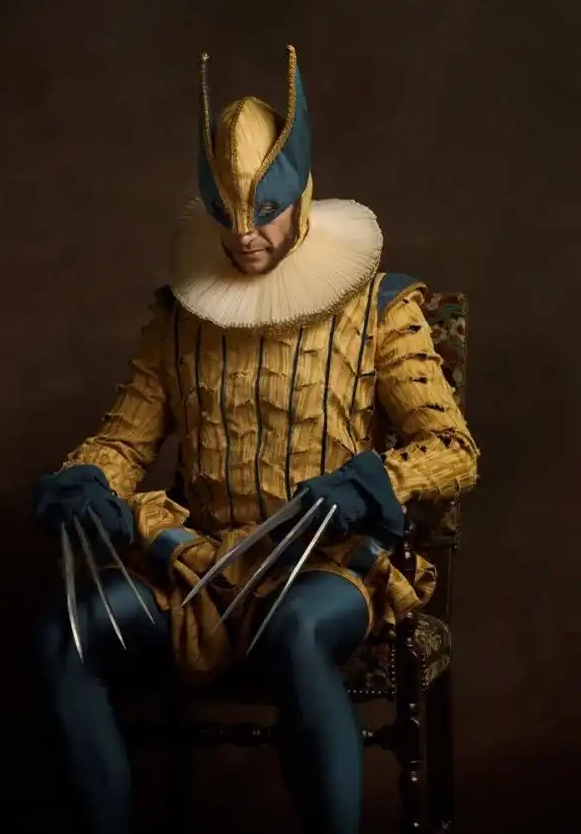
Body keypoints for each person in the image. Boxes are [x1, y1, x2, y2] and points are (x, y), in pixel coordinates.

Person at [33, 45, 479, 834]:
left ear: (299, 194)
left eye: (264, 211)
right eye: (226, 214)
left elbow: (452, 448)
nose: (244, 235)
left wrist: (370, 484)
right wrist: (89, 479)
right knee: (67, 634)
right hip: (199, 568)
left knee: (295, 630)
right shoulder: (179, 317)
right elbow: (124, 441)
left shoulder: (379, 308)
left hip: (327, 566)